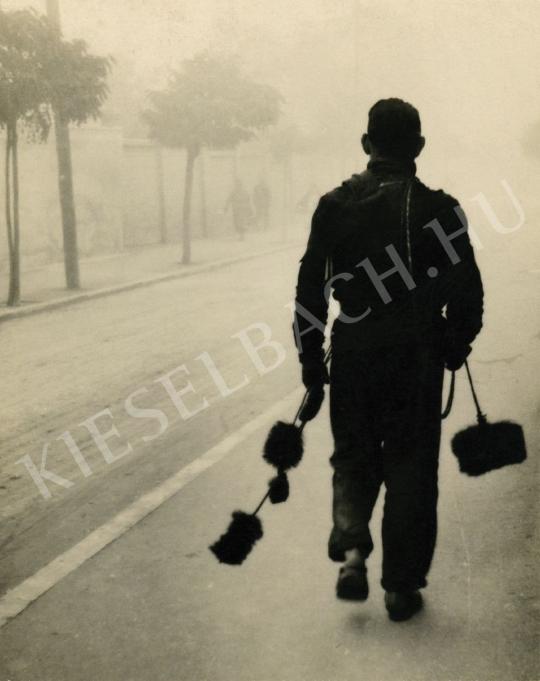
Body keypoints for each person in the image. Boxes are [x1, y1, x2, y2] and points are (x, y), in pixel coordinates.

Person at [293, 98, 484, 622]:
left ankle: (353, 553)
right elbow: (467, 290)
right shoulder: (440, 210)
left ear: (365, 145)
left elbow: (311, 286)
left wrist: (312, 359)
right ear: (419, 148)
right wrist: (454, 342)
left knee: (353, 455)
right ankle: (400, 587)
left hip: (353, 354)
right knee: (411, 467)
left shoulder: (334, 205)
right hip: (415, 357)